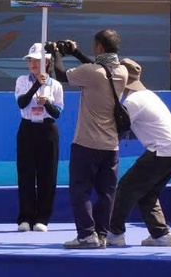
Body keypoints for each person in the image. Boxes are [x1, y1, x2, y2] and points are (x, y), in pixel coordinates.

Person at [55, 31, 130, 249]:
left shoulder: (92, 72)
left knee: (81, 190)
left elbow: (61, 75)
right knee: (106, 193)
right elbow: (100, 71)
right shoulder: (122, 71)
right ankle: (101, 234)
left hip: (86, 143)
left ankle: (87, 235)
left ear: (98, 47)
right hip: (111, 145)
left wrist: (56, 52)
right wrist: (77, 53)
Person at [107, 60, 171, 247]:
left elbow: (117, 127)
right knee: (147, 193)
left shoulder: (134, 101)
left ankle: (115, 233)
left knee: (125, 188)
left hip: (161, 152)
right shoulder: (148, 96)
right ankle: (161, 235)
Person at [14, 42, 64, 232]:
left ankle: (42, 217)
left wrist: (47, 103)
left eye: (37, 61)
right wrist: (37, 85)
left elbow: (57, 111)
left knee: (47, 175)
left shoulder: (56, 85)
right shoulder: (21, 81)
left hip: (47, 130)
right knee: (25, 173)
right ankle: (25, 217)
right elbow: (22, 102)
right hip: (27, 129)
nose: (33, 65)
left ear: (48, 62)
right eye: (31, 61)